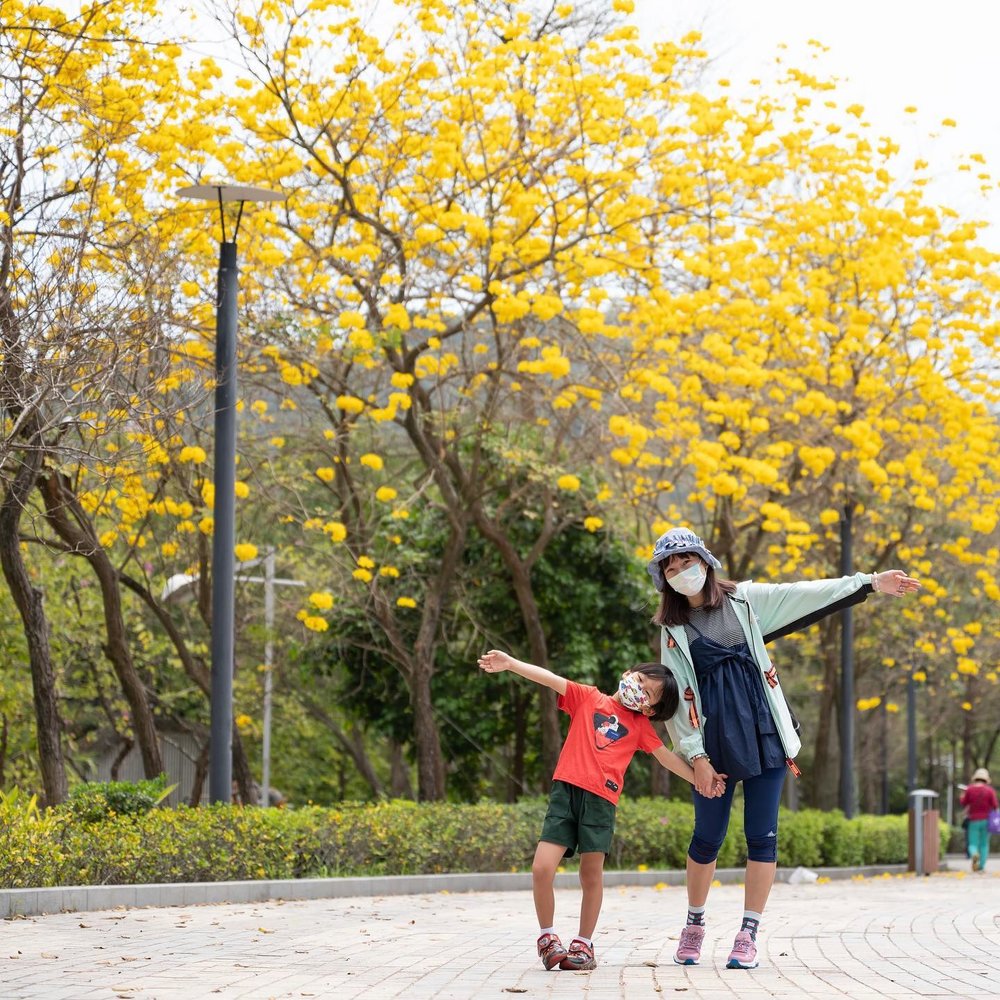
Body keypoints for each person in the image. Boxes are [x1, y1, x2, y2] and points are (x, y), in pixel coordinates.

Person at [647, 526, 920, 971]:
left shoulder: (747, 601)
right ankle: (694, 924)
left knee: (762, 836)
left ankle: (747, 934)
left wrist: (869, 582)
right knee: (706, 837)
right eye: (671, 568)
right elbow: (679, 696)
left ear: (705, 561)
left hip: (763, 733)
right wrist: (695, 757)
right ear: (665, 579)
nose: (681, 572)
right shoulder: (673, 629)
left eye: (686, 562)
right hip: (712, 742)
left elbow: (805, 593)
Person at [477, 649, 725, 973]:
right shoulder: (587, 697)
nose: (637, 687)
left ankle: (584, 943)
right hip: (565, 793)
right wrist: (510, 664)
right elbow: (550, 679)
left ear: (649, 708)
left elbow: (665, 757)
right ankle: (547, 938)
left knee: (590, 875)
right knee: (541, 868)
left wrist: (700, 781)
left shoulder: (639, 726)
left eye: (647, 691)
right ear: (627, 672)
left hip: (601, 802)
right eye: (639, 678)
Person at [960, 767, 998, 873]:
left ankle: (974, 854)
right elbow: (995, 806)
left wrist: (962, 796)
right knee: (984, 844)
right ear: (986, 779)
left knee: (973, 843)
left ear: (976, 778)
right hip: (986, 821)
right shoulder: (989, 791)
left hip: (973, 820)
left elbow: (963, 803)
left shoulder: (970, 789)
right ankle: (981, 867)